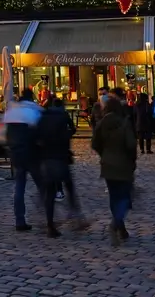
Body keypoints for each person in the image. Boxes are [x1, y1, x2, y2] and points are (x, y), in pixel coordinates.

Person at [36, 96, 87, 237]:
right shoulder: (63, 116)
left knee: (49, 193)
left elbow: (36, 136)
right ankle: (76, 218)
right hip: (60, 156)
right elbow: (72, 129)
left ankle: (50, 224)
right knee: (69, 187)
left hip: (46, 158)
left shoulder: (43, 117)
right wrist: (66, 138)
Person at [92, 97, 137, 247]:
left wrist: (104, 154)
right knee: (125, 196)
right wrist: (132, 160)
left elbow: (95, 143)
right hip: (123, 163)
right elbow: (131, 145)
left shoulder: (102, 123)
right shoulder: (124, 122)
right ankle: (116, 223)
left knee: (114, 196)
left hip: (108, 163)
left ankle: (120, 226)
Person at [0, 88, 43, 231]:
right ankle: (44, 217)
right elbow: (41, 132)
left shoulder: (11, 111)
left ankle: (20, 220)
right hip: (32, 153)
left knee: (19, 187)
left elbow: (2, 136)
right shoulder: (35, 110)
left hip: (16, 153)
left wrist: (9, 148)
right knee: (42, 186)